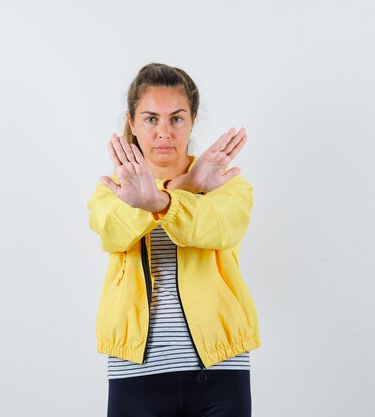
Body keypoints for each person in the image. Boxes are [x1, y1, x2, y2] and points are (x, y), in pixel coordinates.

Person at [87, 63, 261, 417]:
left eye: (176, 119)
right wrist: (184, 188)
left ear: (193, 120)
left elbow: (220, 228)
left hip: (220, 366)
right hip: (135, 370)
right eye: (151, 119)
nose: (164, 132)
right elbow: (111, 232)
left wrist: (162, 200)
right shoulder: (112, 189)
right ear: (132, 122)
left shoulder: (226, 181)